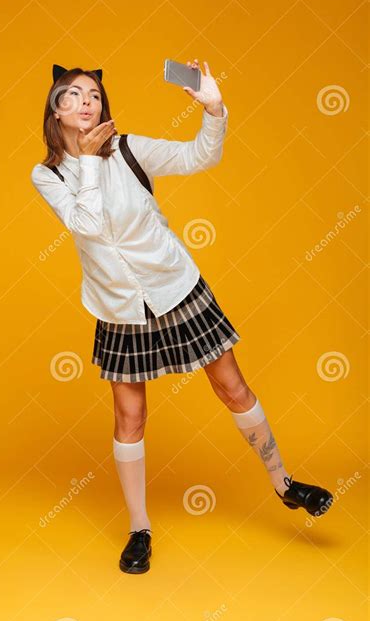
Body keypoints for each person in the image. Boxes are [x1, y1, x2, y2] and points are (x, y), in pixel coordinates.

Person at [31, 60, 334, 575]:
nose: (88, 101)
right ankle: (139, 530)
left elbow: (201, 156)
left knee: (233, 388)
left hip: (177, 287)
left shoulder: (130, 150)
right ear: (54, 110)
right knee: (130, 419)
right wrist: (83, 161)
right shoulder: (47, 174)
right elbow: (84, 222)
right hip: (118, 308)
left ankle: (286, 485)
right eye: (74, 94)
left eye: (96, 95)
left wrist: (214, 108)